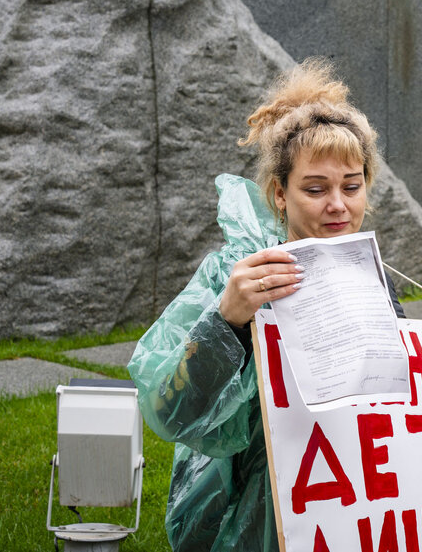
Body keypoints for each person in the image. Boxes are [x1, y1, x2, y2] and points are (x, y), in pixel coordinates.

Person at [128, 58, 404, 552]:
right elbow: (168, 411)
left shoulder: (376, 283)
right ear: (280, 193)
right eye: (315, 189)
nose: (338, 205)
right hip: (247, 515)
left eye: (352, 185)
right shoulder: (234, 275)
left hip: (350, 511)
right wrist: (227, 320)